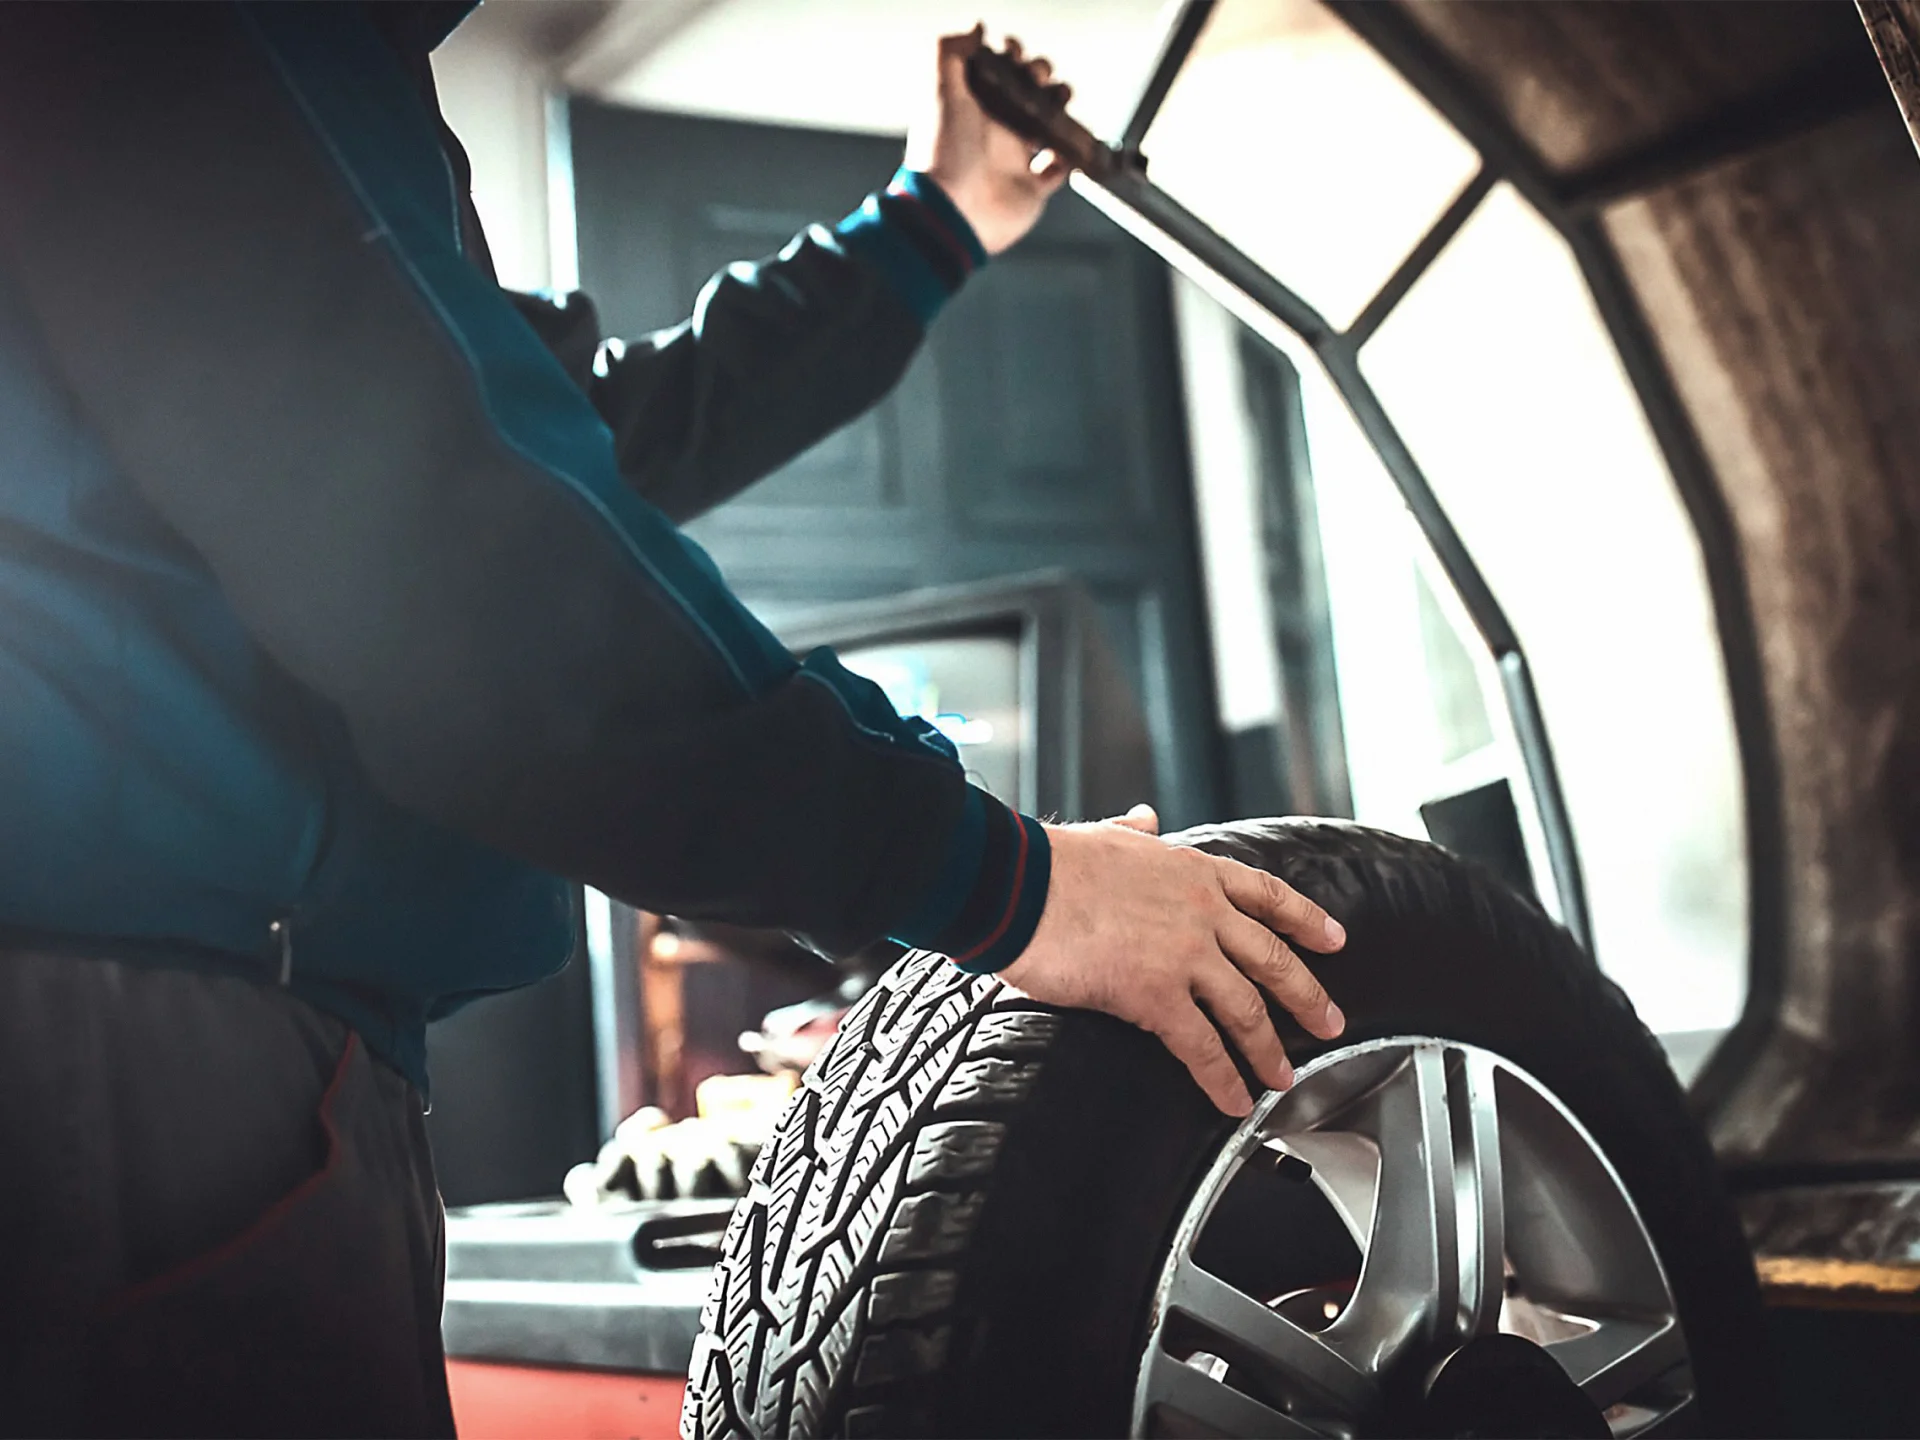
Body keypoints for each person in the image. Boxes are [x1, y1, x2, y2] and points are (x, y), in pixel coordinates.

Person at [0, 4, 1347, 1434]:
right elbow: (461, 556)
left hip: (186, 1022)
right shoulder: (210, 35)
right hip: (147, 1047)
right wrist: (1006, 882)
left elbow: (565, 437)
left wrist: (933, 221)